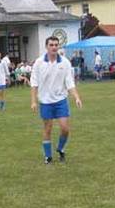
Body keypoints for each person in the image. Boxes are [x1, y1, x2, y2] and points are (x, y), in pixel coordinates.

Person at [30, 36, 83, 164]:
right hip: (45, 101)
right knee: (47, 129)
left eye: (56, 45)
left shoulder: (65, 62)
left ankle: (60, 148)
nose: (54, 47)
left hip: (61, 100)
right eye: (51, 45)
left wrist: (76, 97)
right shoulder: (39, 63)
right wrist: (33, 101)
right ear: (46, 47)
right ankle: (48, 156)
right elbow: (34, 83)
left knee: (65, 128)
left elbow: (69, 83)